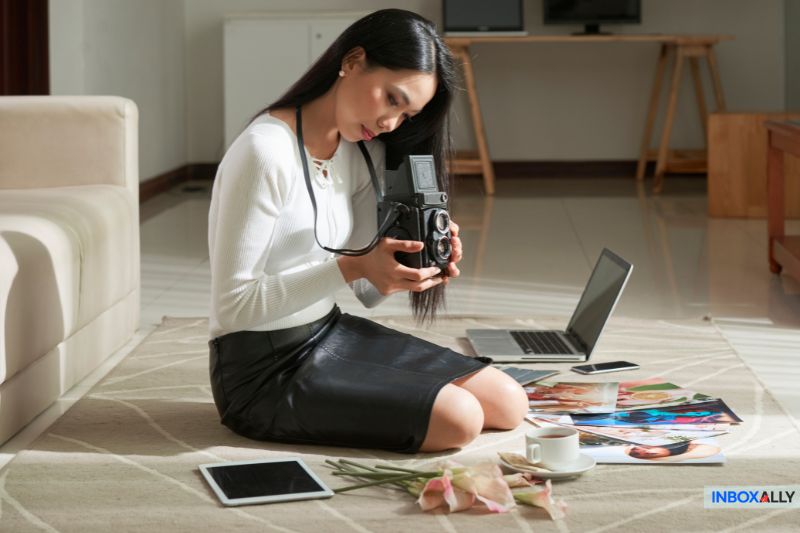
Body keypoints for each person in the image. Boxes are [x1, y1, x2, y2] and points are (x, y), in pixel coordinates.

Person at [207, 9, 528, 454]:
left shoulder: (360, 150)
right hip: (260, 371)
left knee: (508, 401)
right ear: (353, 61)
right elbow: (234, 308)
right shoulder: (264, 152)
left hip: (329, 331)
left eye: (407, 114)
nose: (391, 124)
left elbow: (366, 292)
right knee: (462, 419)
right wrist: (353, 265)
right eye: (392, 100)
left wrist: (406, 263)